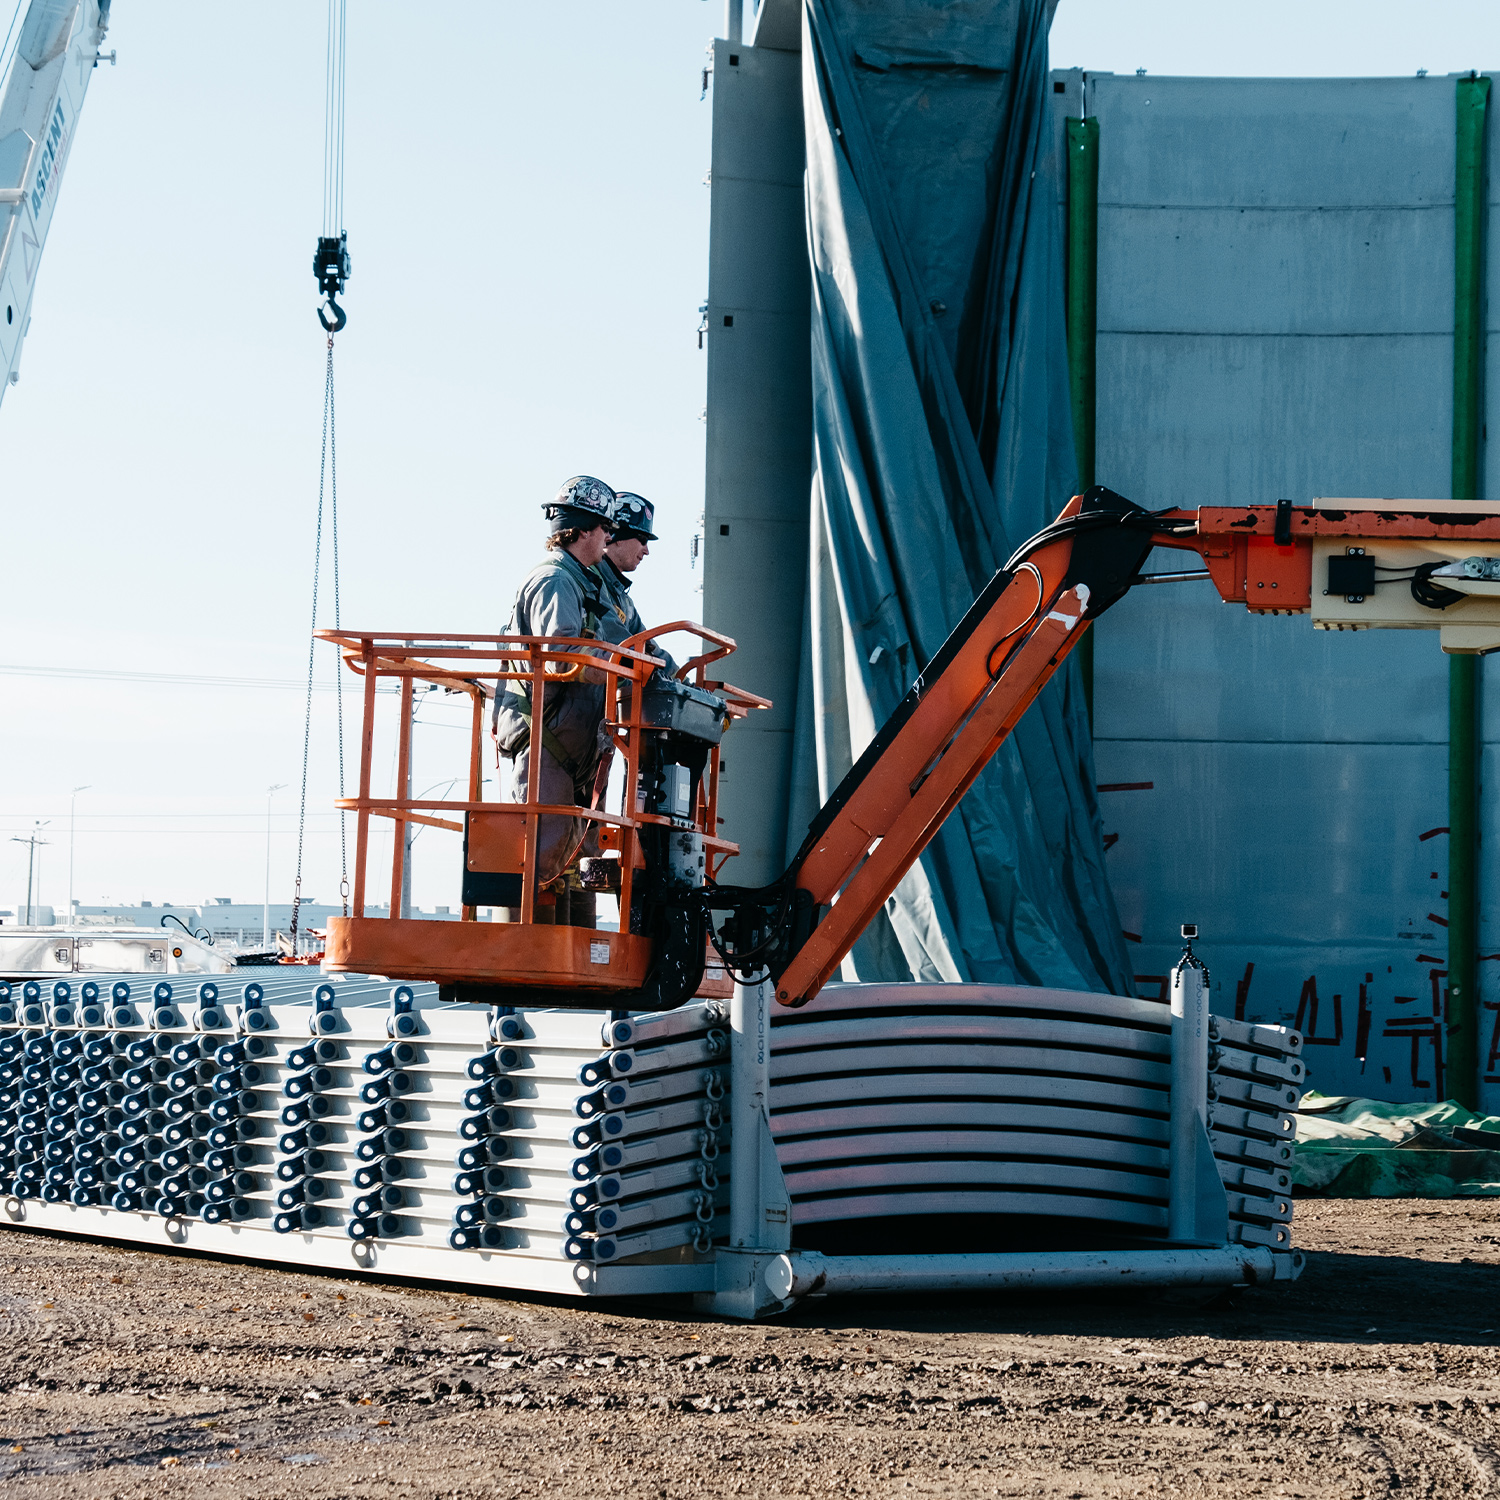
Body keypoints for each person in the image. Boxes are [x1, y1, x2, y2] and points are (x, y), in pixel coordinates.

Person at [492, 476, 617, 924]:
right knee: (541, 849)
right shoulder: (554, 580)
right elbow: (560, 649)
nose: (609, 538)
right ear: (584, 529)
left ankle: (572, 951)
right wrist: (619, 664)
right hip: (545, 737)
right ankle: (525, 950)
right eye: (604, 529)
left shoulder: (583, 583)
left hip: (570, 740)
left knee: (575, 854)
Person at [597, 490, 677, 677]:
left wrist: (685, 682)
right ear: (617, 537)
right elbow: (623, 643)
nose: (646, 551)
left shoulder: (623, 600)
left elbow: (647, 645)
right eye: (642, 540)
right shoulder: (590, 583)